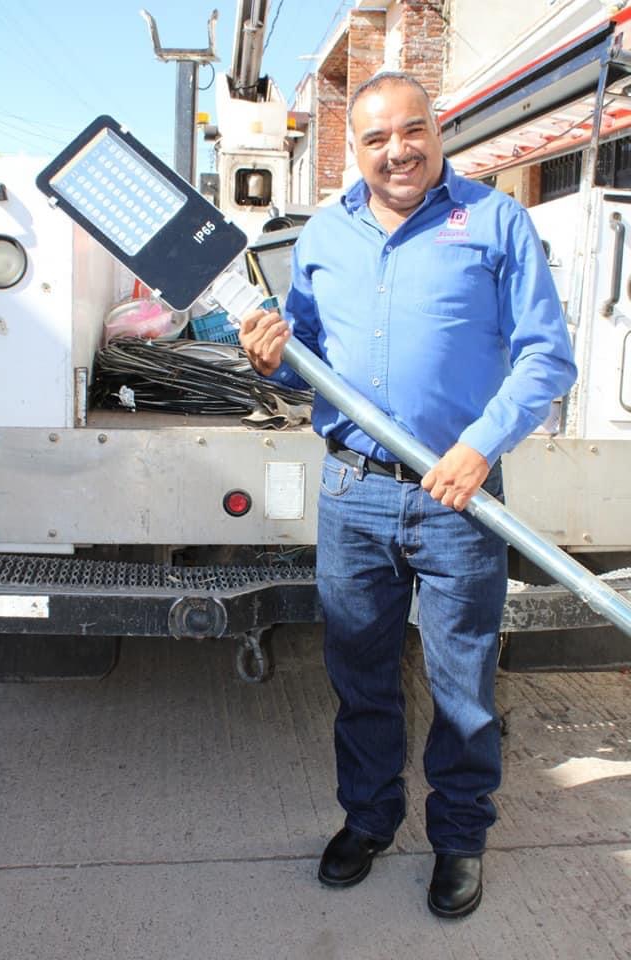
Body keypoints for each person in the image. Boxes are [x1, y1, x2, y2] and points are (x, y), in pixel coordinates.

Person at [239, 71, 577, 919]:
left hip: (460, 497)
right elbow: (302, 354)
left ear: (438, 128)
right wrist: (268, 354)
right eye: (377, 137)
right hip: (353, 492)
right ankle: (369, 820)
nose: (398, 150)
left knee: (464, 684)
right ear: (352, 147)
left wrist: (479, 446)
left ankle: (460, 837)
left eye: (413, 130)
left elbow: (547, 357)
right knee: (359, 676)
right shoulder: (322, 233)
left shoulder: (495, 220)